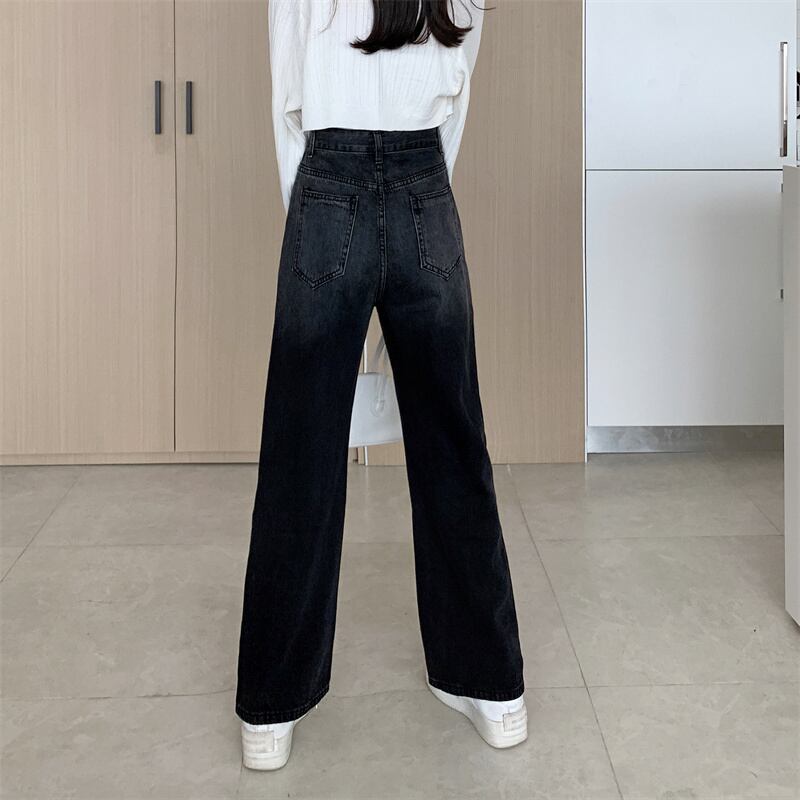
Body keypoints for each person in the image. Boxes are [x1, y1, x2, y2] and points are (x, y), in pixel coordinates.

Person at [236, 0, 526, 770]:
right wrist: (420, 192)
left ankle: (272, 709)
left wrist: (312, 216)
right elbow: (457, 100)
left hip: (326, 185)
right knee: (453, 446)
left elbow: (286, 101)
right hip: (425, 183)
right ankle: (494, 691)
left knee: (300, 454)